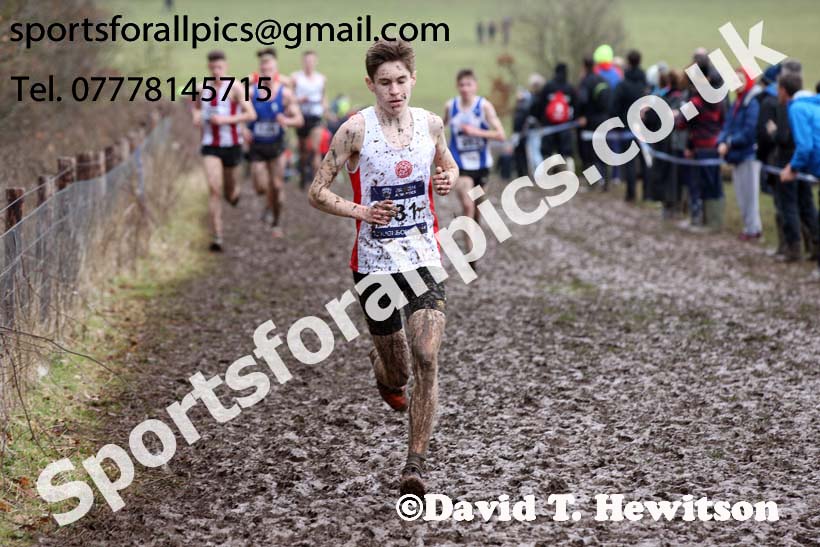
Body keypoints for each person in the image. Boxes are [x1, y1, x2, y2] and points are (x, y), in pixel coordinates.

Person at [307, 39, 459, 496]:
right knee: (397, 374)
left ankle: (414, 465)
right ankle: (381, 363)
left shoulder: (432, 125)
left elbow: (447, 170)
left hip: (424, 259)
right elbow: (316, 191)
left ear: (413, 80)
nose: (395, 91)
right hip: (374, 267)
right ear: (371, 84)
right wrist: (361, 212)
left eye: (402, 81)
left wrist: (447, 178)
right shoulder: (354, 131)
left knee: (427, 357)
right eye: (385, 83)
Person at [192, 50, 257, 252]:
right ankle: (217, 236)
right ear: (208, 67)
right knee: (214, 189)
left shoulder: (236, 87)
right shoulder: (201, 88)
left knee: (229, 192)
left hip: (232, 144)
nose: (216, 71)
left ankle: (234, 194)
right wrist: (195, 116)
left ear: (225, 67)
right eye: (213, 67)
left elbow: (250, 114)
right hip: (210, 145)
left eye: (220, 67)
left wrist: (226, 120)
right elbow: (195, 107)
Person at [247, 48, 304, 238]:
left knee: (277, 186)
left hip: (277, 145)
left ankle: (276, 222)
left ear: (276, 71)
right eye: (264, 70)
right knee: (260, 186)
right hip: (257, 145)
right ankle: (267, 204)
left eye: (270, 70)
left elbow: (299, 119)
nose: (267, 73)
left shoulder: (285, 94)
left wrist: (285, 121)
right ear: (260, 72)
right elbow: (239, 113)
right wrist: (242, 130)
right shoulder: (251, 92)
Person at [445, 69, 505, 227]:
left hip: (481, 165)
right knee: (467, 205)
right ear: (457, 86)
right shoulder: (451, 107)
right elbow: (439, 128)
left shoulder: (484, 106)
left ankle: (475, 226)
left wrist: (475, 132)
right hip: (460, 165)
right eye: (461, 85)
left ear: (475, 86)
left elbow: (501, 135)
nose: (465, 88)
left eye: (468, 84)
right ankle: (471, 249)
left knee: (479, 206)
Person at [779, 72, 820, 279]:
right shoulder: (815, 104)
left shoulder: (796, 108)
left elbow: (804, 146)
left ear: (784, 91)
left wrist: (792, 168)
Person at [718, 67, 762, 241]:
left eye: (741, 79)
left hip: (749, 154)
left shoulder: (752, 102)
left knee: (750, 195)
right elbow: (727, 125)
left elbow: (749, 130)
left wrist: (728, 143)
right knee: (741, 194)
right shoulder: (737, 102)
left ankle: (753, 229)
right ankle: (750, 227)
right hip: (736, 154)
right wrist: (722, 140)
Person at [611, 50, 648, 202]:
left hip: (627, 127)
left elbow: (615, 106)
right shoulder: (645, 84)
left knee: (630, 162)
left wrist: (617, 124)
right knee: (646, 161)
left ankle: (631, 193)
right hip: (645, 127)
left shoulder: (622, 85)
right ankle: (647, 194)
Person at [530, 63, 577, 173]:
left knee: (547, 151)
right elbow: (576, 105)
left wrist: (541, 121)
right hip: (565, 126)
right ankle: (569, 174)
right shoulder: (570, 88)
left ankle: (548, 175)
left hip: (548, 126)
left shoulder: (548, 87)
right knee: (566, 153)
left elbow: (540, 105)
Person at [291, 51, 327, 189]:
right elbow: (289, 97)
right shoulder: (295, 77)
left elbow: (323, 96)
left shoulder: (321, 79)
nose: (309, 63)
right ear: (303, 62)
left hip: (315, 116)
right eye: (307, 61)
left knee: (315, 148)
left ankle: (317, 182)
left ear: (315, 62)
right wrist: (299, 100)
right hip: (300, 117)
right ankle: (302, 174)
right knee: (303, 151)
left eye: (311, 61)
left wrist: (325, 106)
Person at [576, 56, 612, 189]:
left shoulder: (585, 82)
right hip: (603, 120)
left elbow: (582, 100)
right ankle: (606, 182)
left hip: (588, 122)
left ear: (584, 66)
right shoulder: (602, 79)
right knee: (602, 151)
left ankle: (593, 182)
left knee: (587, 154)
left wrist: (581, 115)